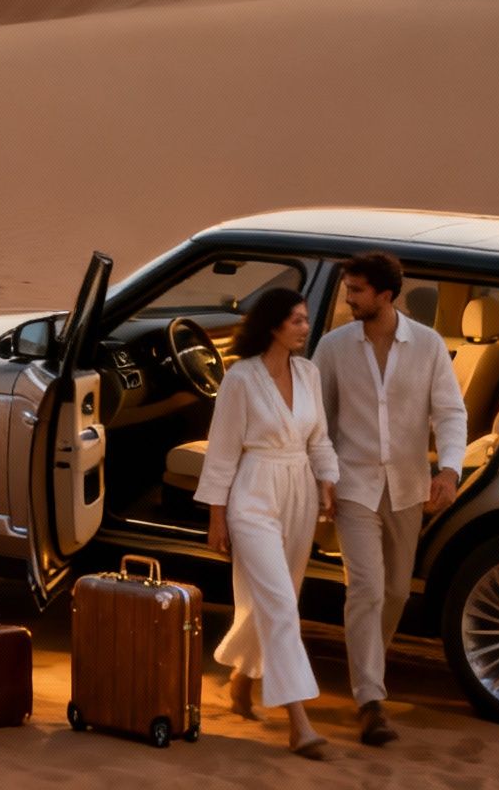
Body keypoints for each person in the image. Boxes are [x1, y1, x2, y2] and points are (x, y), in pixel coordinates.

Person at [314, 251, 467, 746]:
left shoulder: (427, 345)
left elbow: (449, 412)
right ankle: (370, 699)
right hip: (353, 485)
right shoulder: (334, 347)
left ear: (386, 295)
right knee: (367, 588)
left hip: (407, 486)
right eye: (347, 289)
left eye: (356, 291)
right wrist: (324, 477)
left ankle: (367, 670)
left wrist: (449, 468)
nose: (347, 299)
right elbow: (317, 419)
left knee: (398, 591)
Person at [194, 286, 339, 759]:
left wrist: (327, 481)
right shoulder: (241, 379)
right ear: (274, 325)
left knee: (275, 599)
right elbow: (221, 451)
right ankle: (299, 723)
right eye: (297, 320)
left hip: (298, 490)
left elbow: (318, 437)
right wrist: (217, 516)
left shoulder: (309, 373)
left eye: (304, 319)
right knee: (280, 604)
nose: (304, 327)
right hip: (253, 492)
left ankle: (240, 679)